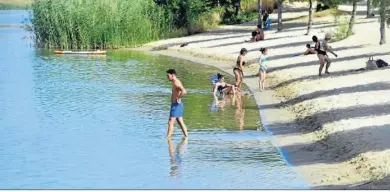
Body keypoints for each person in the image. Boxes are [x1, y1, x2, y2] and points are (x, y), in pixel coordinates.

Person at [166, 69, 188, 138]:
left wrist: (178, 97)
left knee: (171, 121)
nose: (167, 77)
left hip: (176, 105)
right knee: (180, 121)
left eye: (168, 75)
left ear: (173, 75)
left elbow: (184, 91)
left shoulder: (176, 83)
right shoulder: (175, 82)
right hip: (177, 105)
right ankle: (186, 136)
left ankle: (168, 137)